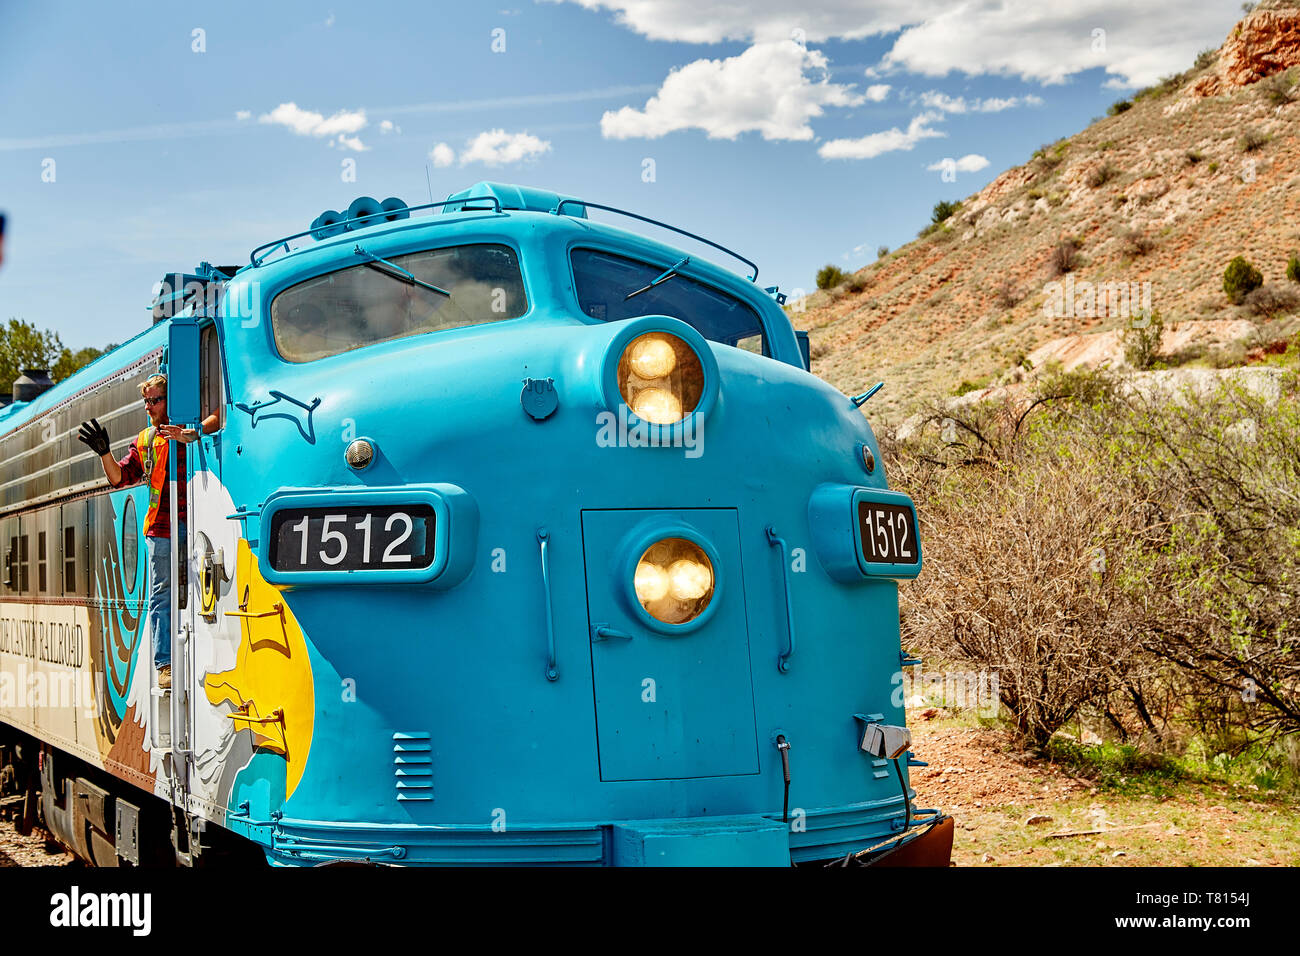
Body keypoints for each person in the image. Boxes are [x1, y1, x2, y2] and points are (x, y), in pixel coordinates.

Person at [76, 373, 217, 690]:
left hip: (199, 524)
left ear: (172, 399)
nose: (149, 407)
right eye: (146, 401)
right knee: (162, 595)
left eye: (156, 400)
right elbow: (119, 477)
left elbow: (218, 420)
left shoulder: (192, 430)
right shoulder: (145, 440)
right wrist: (103, 453)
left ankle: (207, 654)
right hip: (162, 529)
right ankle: (164, 663)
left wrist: (191, 435)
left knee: (203, 591)